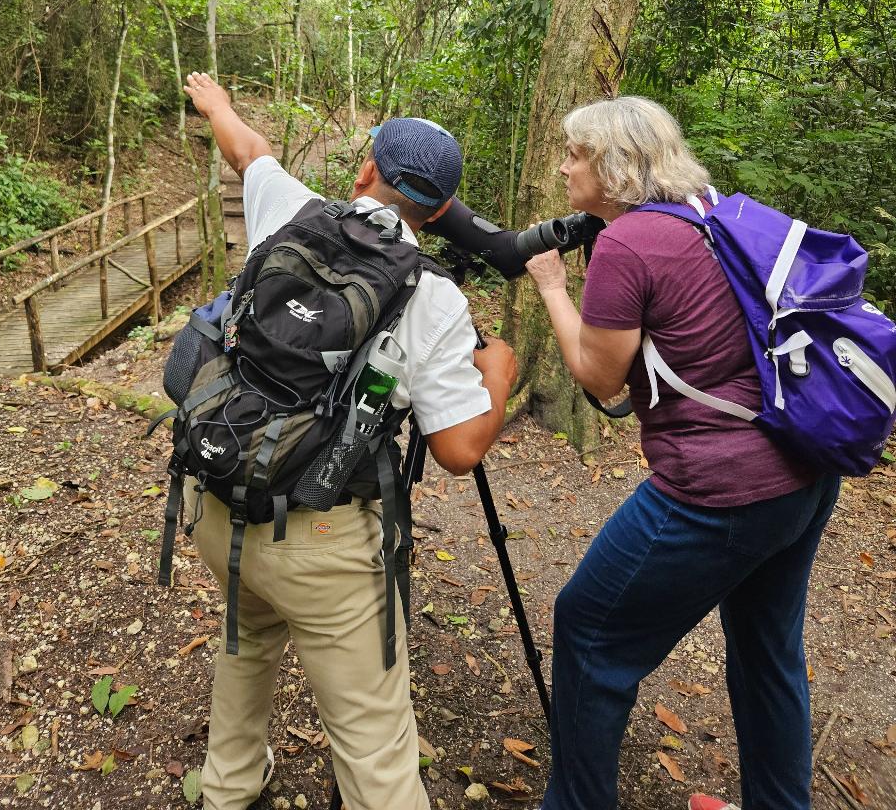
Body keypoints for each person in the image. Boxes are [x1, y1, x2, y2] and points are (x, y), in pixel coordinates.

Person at [181, 71, 517, 810]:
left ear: (365, 169)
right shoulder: (436, 298)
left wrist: (217, 106)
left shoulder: (290, 209)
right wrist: (501, 370)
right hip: (324, 542)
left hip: (218, 496)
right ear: (438, 211)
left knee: (246, 644)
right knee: (373, 741)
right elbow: (460, 450)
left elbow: (249, 153)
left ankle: (228, 788)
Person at [524, 96, 839, 810]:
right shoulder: (717, 215)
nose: (564, 166)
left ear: (609, 164)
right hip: (804, 469)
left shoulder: (629, 243)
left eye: (574, 153)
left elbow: (600, 377)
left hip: (721, 491)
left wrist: (552, 287)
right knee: (768, 653)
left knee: (589, 630)